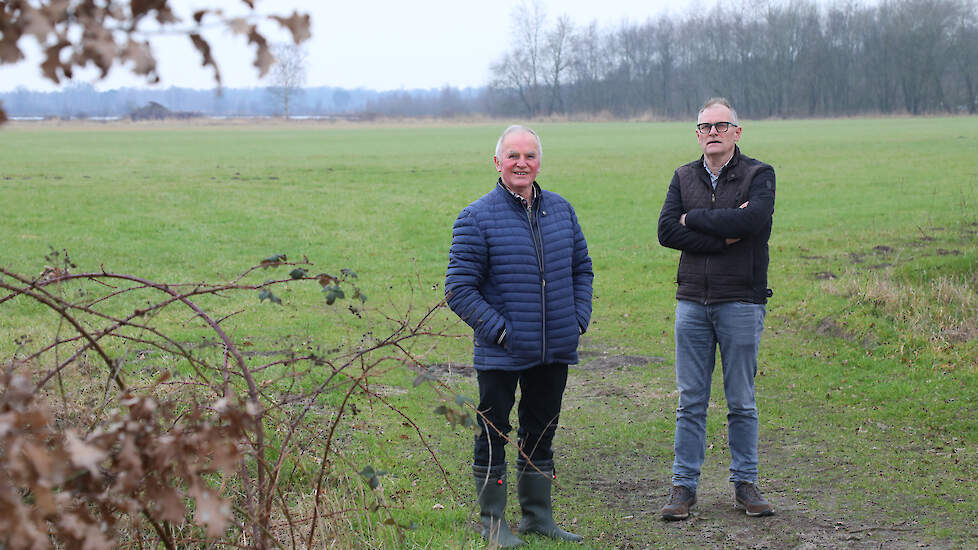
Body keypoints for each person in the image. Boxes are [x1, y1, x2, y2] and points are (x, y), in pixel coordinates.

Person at [446, 125, 593, 547]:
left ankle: (537, 517)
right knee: (493, 433)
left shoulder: (561, 211)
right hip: (502, 353)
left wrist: (577, 318)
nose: (521, 163)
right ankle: (493, 523)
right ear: (498, 162)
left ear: (539, 161)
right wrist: (503, 332)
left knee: (541, 428)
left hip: (555, 347)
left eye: (529, 155)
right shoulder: (476, 217)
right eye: (513, 155)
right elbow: (458, 289)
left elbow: (582, 269)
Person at [656, 97, 776, 521]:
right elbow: (666, 230)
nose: (712, 133)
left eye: (720, 126)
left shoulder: (759, 175)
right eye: (705, 126)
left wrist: (695, 219)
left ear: (736, 132)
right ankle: (683, 489)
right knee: (691, 401)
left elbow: (752, 224)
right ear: (698, 134)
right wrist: (719, 233)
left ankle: (746, 484)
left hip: (741, 300)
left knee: (741, 400)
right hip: (691, 302)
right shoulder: (683, 176)